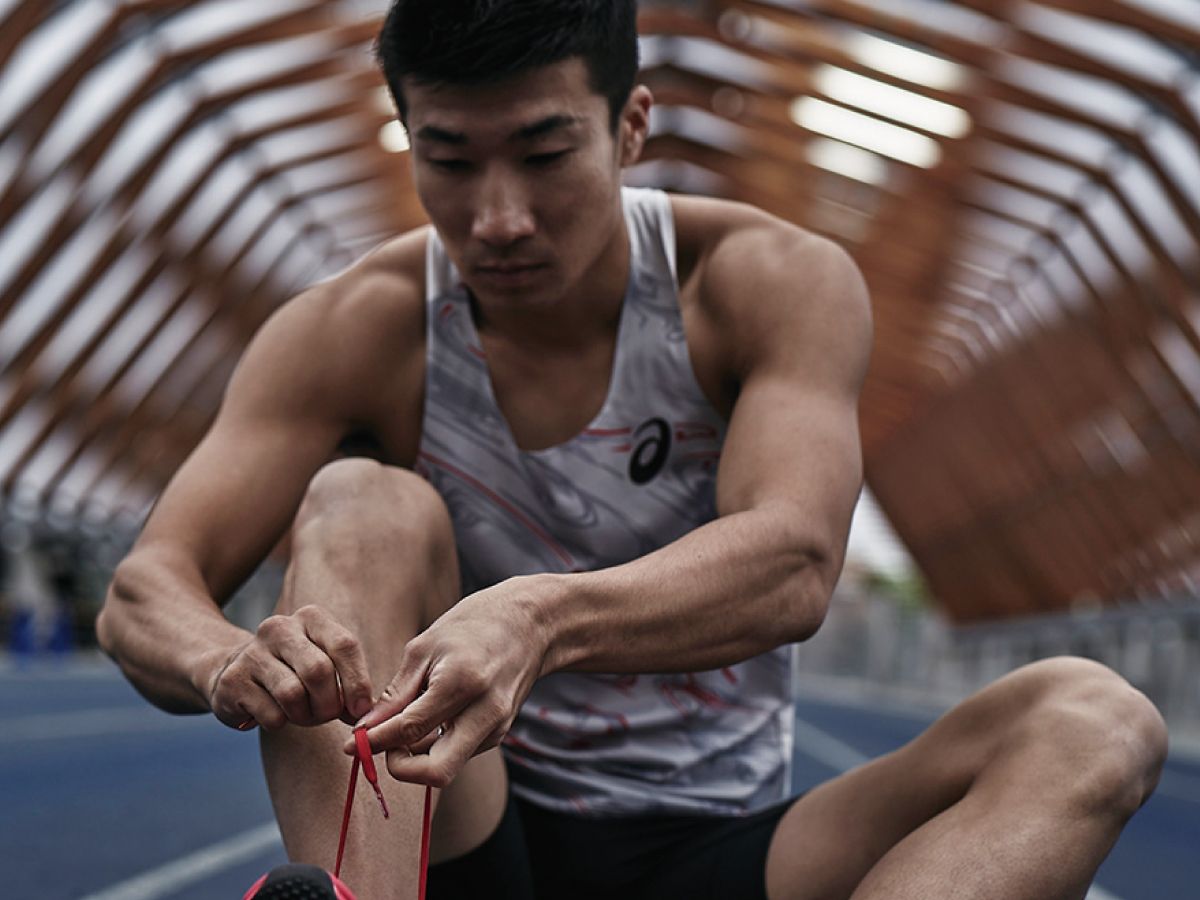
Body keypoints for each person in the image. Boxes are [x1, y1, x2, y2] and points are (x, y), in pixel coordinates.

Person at [96, 1, 1168, 897]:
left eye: (545, 151)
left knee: (1093, 719)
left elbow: (794, 561)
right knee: (364, 501)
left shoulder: (763, 283)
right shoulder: (354, 328)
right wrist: (225, 658)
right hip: (459, 820)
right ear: (407, 141)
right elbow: (146, 585)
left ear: (631, 128)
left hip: (722, 849)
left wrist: (539, 615)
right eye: (450, 160)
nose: (499, 216)